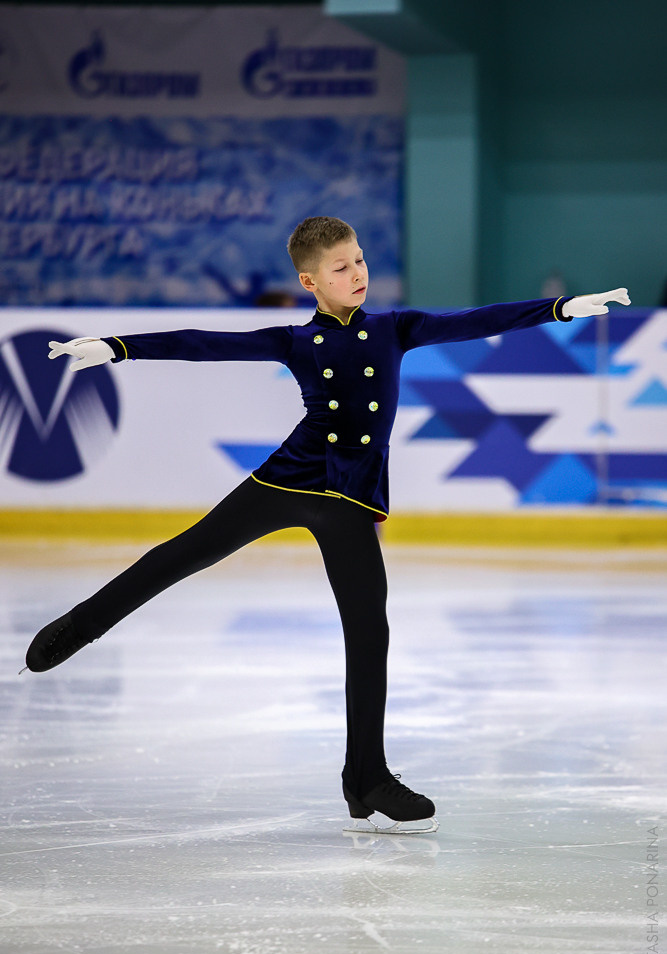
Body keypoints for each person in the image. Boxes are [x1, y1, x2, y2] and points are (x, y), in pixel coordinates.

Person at [23, 216, 631, 833]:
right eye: (341, 268)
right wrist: (119, 347)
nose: (358, 274)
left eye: (361, 261)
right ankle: (76, 628)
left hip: (348, 499)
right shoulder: (294, 341)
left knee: (370, 636)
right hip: (287, 479)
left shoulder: (398, 329)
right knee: (183, 554)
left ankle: (367, 779)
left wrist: (559, 308)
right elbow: (206, 343)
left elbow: (477, 319)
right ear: (310, 281)